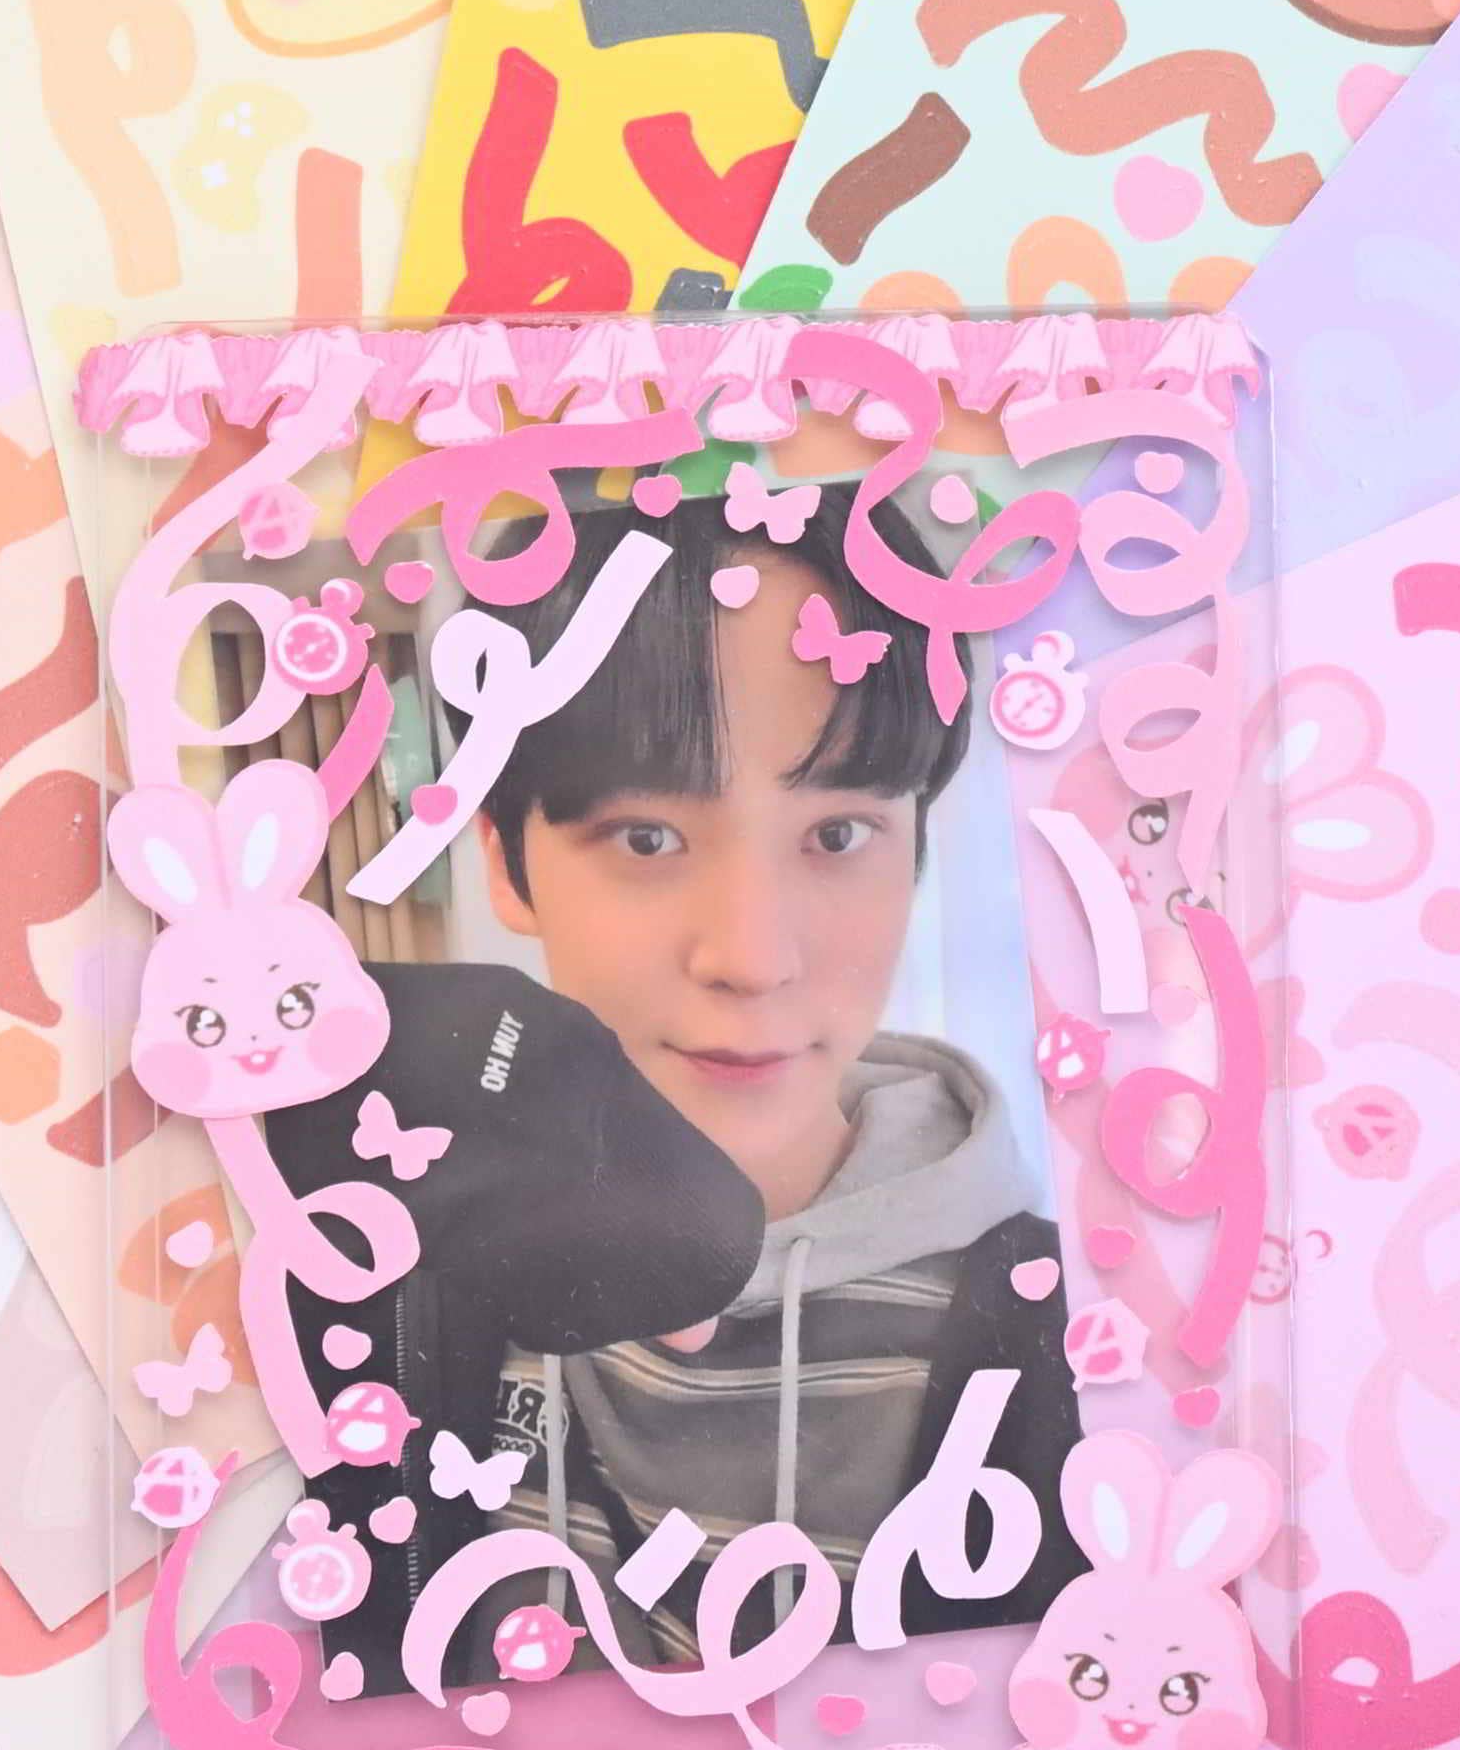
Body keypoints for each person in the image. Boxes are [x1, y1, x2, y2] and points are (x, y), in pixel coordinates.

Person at [453, 483, 1081, 1661]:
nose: (750, 958)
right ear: (505, 859)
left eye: (837, 835)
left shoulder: (1076, 1328)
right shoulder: (385, 1274)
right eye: (648, 838)